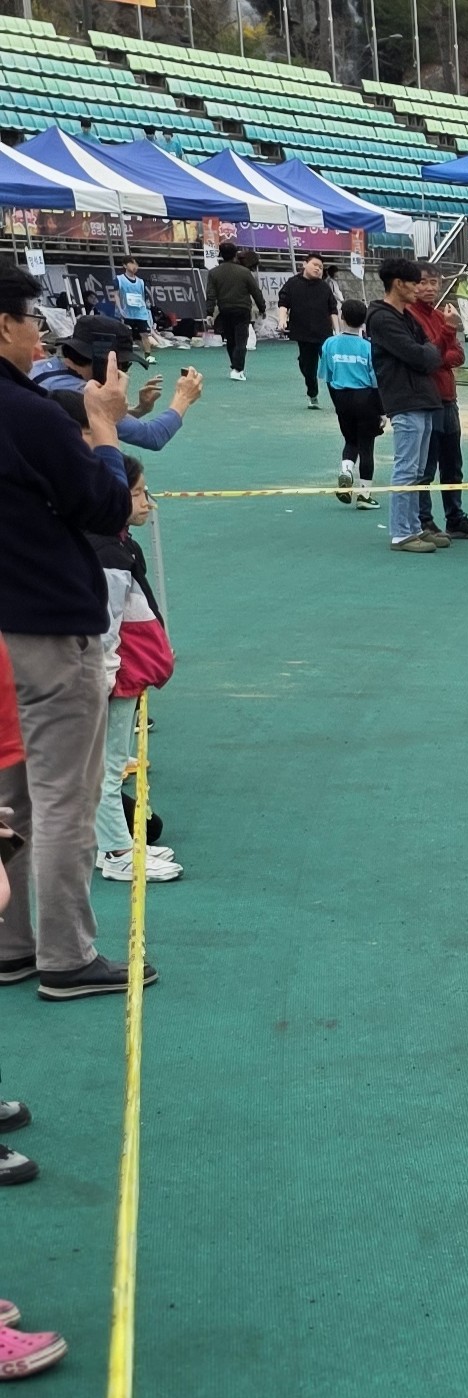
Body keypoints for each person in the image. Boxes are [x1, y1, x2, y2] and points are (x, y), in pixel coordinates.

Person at [0, 261, 149, 999]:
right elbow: (103, 507)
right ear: (5, 325)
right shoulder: (26, 414)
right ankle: (66, 955)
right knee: (63, 793)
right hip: (48, 622)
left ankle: (12, 942)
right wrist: (104, 427)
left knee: (12, 794)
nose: (40, 336)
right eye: (32, 321)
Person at [92, 456, 174, 883]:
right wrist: (105, 681)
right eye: (140, 493)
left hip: (125, 674)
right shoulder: (107, 554)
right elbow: (105, 630)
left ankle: (114, 842)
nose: (148, 502)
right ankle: (116, 852)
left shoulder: (121, 543)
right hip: (115, 679)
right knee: (105, 770)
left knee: (108, 767)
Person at [363, 257, 446, 552]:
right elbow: (422, 355)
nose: (419, 288)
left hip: (422, 398)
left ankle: (414, 527)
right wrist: (427, 354)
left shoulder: (406, 316)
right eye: (415, 282)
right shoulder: (383, 318)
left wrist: (427, 353)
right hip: (405, 400)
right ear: (398, 284)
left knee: (419, 469)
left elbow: (431, 351)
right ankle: (401, 532)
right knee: (407, 468)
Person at [36, 318, 200, 452]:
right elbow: (153, 437)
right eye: (123, 365)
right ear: (104, 361)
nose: (124, 372)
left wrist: (139, 410)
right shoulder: (77, 394)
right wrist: (183, 397)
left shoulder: (41, 369)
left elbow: (99, 419)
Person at [410, 272, 468, 542]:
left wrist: (440, 352)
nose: (430, 288)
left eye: (434, 282)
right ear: (411, 285)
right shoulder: (410, 317)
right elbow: (426, 356)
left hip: (448, 399)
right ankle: (424, 520)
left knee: (452, 464)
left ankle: (455, 518)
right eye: (423, 282)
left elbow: (457, 354)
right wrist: (441, 350)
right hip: (426, 401)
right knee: (426, 466)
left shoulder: (443, 316)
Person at [324, 300, 379, 505]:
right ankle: (364, 496)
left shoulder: (329, 344)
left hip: (341, 397)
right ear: (364, 321)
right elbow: (375, 382)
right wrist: (381, 411)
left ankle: (346, 470)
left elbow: (328, 378)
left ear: (342, 317)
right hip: (365, 398)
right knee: (367, 446)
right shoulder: (368, 347)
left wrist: (337, 403)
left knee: (350, 440)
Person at [275, 253, 341, 409]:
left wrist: (337, 331)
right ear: (304, 264)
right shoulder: (292, 284)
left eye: (321, 267)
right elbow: (283, 303)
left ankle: (339, 400)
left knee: (331, 368)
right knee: (308, 368)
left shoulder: (324, 287)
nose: (318, 269)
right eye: (315, 265)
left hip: (325, 335)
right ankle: (313, 394)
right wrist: (282, 320)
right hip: (303, 334)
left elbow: (333, 310)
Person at [204, 241, 260, 381]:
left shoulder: (213, 273)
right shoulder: (245, 272)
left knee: (230, 340)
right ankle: (238, 369)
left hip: (225, 310)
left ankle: (235, 366)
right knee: (241, 341)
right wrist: (262, 307)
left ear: (220, 255)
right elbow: (255, 291)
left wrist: (209, 313)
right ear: (235, 254)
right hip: (242, 310)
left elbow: (210, 294)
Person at [112, 258, 150, 336]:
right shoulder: (119, 279)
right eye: (132, 263)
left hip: (140, 313)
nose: (135, 266)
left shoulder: (141, 282)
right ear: (125, 265)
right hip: (127, 313)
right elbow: (116, 295)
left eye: (136, 264)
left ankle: (147, 349)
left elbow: (144, 297)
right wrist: (120, 309)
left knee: (145, 335)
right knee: (128, 336)